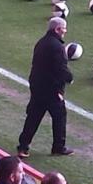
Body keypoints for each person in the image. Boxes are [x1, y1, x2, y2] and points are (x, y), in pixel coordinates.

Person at [17, 17, 74, 158]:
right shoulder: (57, 47)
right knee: (59, 116)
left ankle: (23, 146)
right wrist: (69, 79)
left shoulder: (41, 42)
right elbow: (60, 68)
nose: (65, 31)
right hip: (50, 89)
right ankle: (58, 147)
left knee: (33, 117)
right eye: (63, 28)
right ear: (57, 29)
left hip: (37, 86)